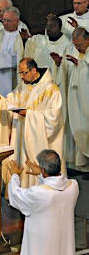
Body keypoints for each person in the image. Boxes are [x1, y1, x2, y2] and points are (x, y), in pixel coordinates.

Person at [0, 58, 65, 188]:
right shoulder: (22, 86)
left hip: (37, 139)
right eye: (20, 73)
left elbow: (53, 118)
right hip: (20, 137)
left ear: (34, 70)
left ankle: (38, 194)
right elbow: (11, 102)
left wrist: (29, 115)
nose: (21, 77)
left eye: (24, 73)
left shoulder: (51, 90)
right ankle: (19, 192)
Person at [8, 150, 78, 255]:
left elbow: (15, 196)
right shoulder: (73, 186)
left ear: (44, 170)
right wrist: (41, 175)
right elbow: (55, 185)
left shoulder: (39, 193)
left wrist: (15, 175)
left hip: (42, 247)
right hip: (63, 245)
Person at [52, 27, 89, 172]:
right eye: (75, 44)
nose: (77, 47)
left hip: (86, 98)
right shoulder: (71, 49)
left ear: (88, 40)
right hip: (74, 97)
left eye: (79, 44)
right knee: (74, 127)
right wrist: (59, 64)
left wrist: (81, 65)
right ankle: (77, 164)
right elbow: (65, 70)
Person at [0, 7, 26, 97]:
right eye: (4, 20)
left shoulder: (22, 35)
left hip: (12, 77)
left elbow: (20, 58)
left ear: (17, 21)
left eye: (9, 21)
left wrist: (0, 58)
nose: (5, 23)